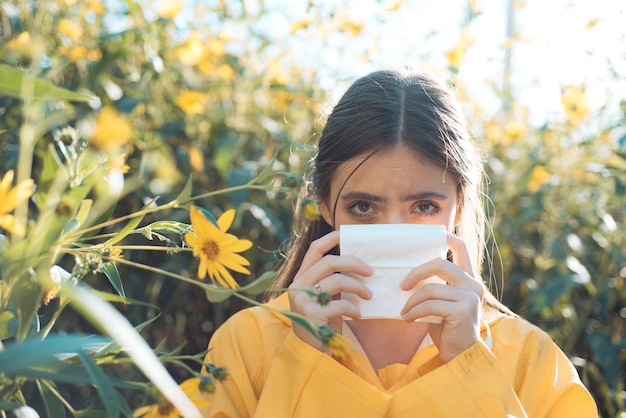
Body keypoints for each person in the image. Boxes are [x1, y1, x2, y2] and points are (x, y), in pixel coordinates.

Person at [200, 70, 597, 417]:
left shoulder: (530, 359)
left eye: (424, 206)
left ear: (458, 208)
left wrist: (470, 366)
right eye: (362, 206)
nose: (392, 229)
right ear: (323, 205)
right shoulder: (247, 344)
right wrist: (303, 359)